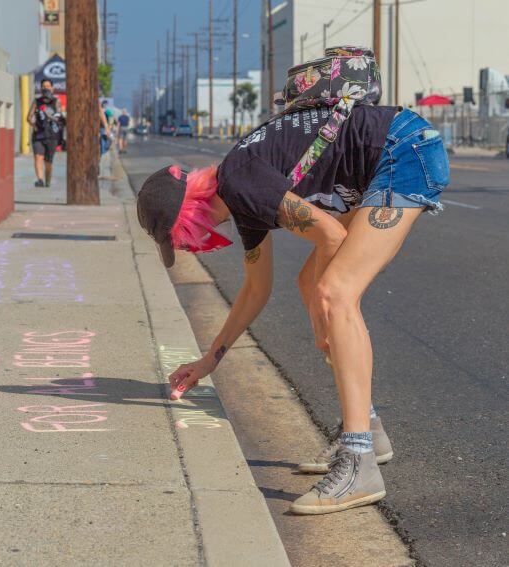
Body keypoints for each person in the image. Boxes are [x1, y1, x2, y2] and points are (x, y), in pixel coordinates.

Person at [135, 104, 449, 515]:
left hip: (402, 150)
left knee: (335, 293)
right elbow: (256, 290)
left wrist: (322, 321)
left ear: (186, 217)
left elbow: (332, 235)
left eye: (177, 239)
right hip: (389, 152)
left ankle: (359, 462)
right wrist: (208, 361)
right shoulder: (238, 194)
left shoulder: (239, 181)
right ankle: (368, 427)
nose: (185, 247)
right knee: (314, 286)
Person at [28, 79, 63, 187]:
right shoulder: (36, 101)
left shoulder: (56, 102)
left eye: (48, 86)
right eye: (43, 86)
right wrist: (33, 124)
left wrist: (50, 116)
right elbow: (29, 116)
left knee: (48, 162)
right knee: (38, 156)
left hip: (52, 136)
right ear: (41, 88)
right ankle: (40, 180)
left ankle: (47, 180)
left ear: (52, 88)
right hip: (38, 135)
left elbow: (59, 117)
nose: (46, 88)